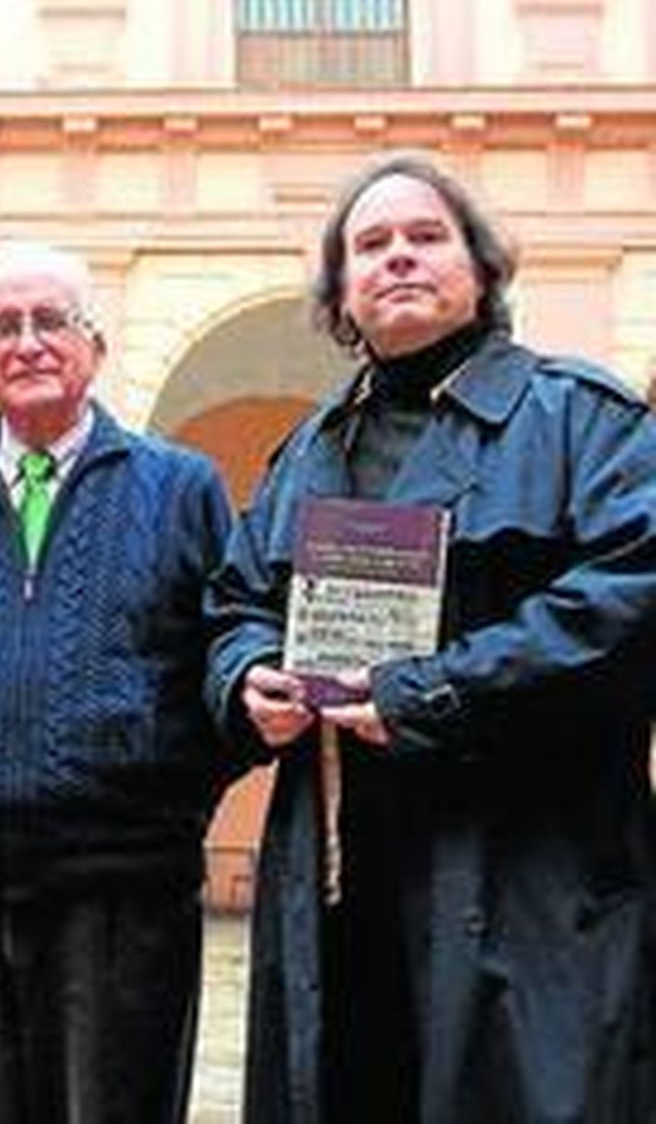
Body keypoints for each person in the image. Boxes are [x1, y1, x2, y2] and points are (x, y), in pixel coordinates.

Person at [204, 152, 656, 1122]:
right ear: (341, 291)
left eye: (424, 236)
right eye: (370, 244)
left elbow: (630, 601)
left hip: (533, 882)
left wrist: (433, 690)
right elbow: (236, 599)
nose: (397, 258)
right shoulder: (310, 449)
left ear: (481, 269)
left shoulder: (582, 417)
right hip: (337, 880)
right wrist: (244, 675)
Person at [0, 242, 237, 1123]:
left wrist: (166, 797)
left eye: (52, 321)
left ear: (95, 346)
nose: (29, 342)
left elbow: (227, 655)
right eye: (4, 326)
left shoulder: (182, 486)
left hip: (121, 888)